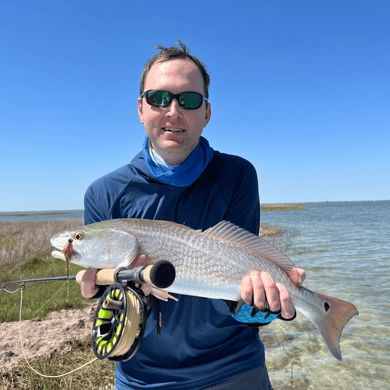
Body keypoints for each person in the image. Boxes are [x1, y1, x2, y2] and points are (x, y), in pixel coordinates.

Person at [81, 40, 305, 390]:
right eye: (158, 98)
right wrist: (112, 287)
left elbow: (239, 290)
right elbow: (110, 299)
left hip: (235, 369)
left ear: (207, 113)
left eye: (188, 100)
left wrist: (258, 307)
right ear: (141, 109)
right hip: (143, 378)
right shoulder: (104, 193)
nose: (173, 111)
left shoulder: (237, 175)